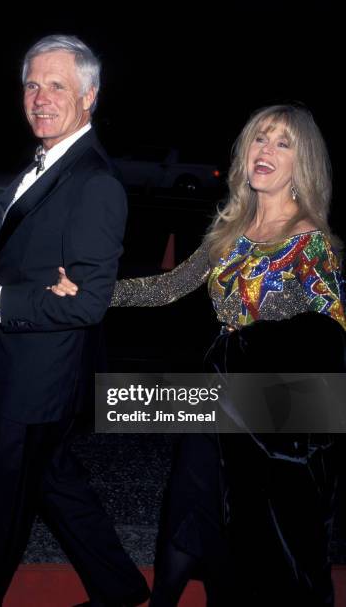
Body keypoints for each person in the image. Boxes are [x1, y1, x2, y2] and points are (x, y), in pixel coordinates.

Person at [51, 104, 346, 606]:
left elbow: (331, 340)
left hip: (271, 412)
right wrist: (91, 292)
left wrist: (257, 358)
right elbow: (167, 287)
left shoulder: (311, 245)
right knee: (190, 503)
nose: (265, 151)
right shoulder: (231, 230)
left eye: (282, 143)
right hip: (216, 394)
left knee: (258, 532)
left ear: (303, 163)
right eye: (258, 139)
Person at [0, 34, 150, 607]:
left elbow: (86, 303)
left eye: (56, 85)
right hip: (17, 368)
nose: (40, 97)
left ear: (89, 96)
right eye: (32, 84)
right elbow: (23, 255)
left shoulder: (94, 183)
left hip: (33, 383)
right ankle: (120, 587)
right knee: (55, 484)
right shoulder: (45, 161)